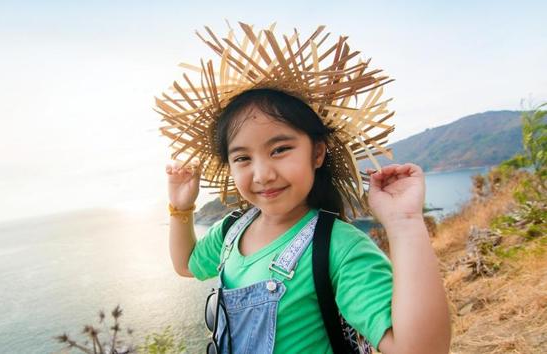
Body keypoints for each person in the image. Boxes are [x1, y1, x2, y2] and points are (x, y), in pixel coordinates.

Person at [158, 23, 450, 354]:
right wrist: (181, 208)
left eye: (280, 149)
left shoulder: (339, 248)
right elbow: (186, 265)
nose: (263, 174)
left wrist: (406, 223)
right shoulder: (229, 233)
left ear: (317, 152)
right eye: (242, 157)